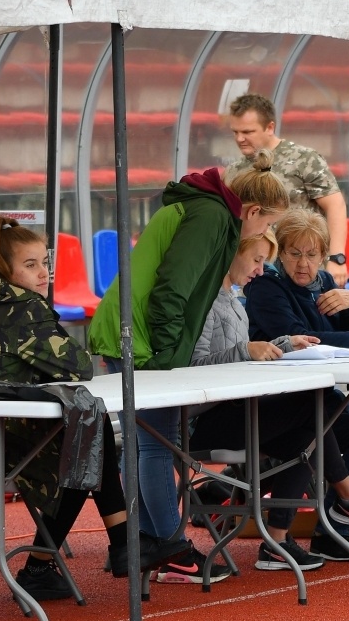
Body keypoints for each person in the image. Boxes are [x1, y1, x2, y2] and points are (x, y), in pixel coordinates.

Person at [88, 159, 289, 582]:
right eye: (265, 224)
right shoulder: (212, 215)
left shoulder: (202, 207)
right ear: (252, 212)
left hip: (130, 331)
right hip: (139, 338)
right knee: (160, 443)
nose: (258, 237)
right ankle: (169, 546)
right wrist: (165, 356)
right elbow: (173, 287)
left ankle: (144, 544)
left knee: (145, 444)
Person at [0, 216, 131, 600]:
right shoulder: (21, 307)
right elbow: (79, 364)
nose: (44, 273)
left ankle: (95, 552)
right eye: (31, 265)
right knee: (83, 439)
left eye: (45, 262)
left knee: (84, 432)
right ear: (4, 270)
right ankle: (120, 545)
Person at [188, 231, 349, 572]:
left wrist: (286, 343)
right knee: (312, 407)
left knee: (308, 438)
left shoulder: (233, 299)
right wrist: (247, 350)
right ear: (231, 256)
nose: (260, 270)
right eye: (256, 261)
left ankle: (277, 541)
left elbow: (242, 359)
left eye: (262, 262)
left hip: (238, 408)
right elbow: (193, 368)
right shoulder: (209, 302)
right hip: (206, 421)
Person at [245, 208, 349, 558]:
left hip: (322, 399)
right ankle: (333, 529)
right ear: (280, 254)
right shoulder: (265, 288)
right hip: (281, 405)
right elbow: (309, 339)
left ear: (323, 256)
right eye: (294, 253)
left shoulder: (324, 284)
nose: (303, 264)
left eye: (312, 254)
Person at [228, 93, 349, 286]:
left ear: (270, 127)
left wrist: (337, 258)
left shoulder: (304, 159)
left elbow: (335, 205)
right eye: (235, 132)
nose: (240, 138)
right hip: (256, 272)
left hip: (301, 267)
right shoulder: (234, 171)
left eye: (248, 132)